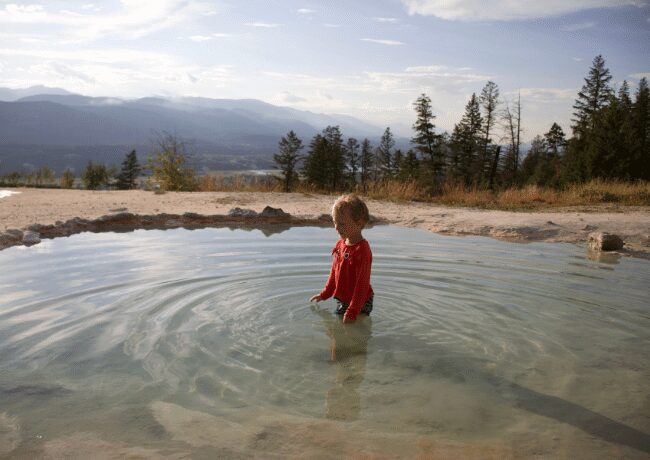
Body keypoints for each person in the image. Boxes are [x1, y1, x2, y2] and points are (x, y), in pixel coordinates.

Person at [310, 194, 373, 323]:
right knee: (338, 335)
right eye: (335, 222)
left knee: (357, 330)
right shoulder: (340, 245)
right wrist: (325, 294)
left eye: (342, 224)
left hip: (361, 302)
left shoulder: (362, 250)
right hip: (343, 298)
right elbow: (334, 273)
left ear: (359, 223)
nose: (336, 228)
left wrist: (353, 310)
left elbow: (362, 284)